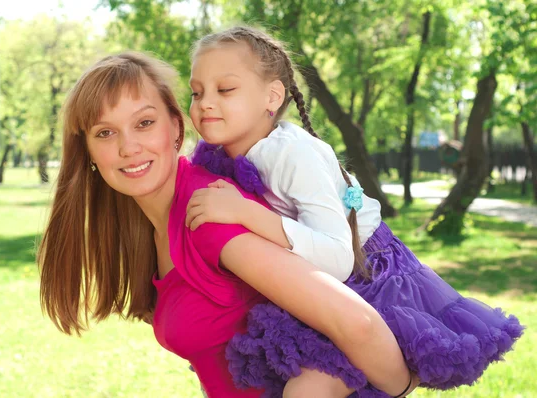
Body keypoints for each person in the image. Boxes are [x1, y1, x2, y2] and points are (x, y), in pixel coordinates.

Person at [37, 52, 418, 398]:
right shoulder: (151, 223)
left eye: (144, 123)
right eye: (105, 132)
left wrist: (399, 389)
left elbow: (358, 323)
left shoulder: (209, 217)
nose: (128, 147)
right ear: (86, 148)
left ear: (175, 128)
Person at [186, 26, 525, 396]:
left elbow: (336, 256)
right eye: (196, 91)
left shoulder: (291, 155)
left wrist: (246, 214)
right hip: (316, 285)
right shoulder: (222, 157)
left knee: (306, 390)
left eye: (225, 89)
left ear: (272, 96)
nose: (204, 103)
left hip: (371, 280)